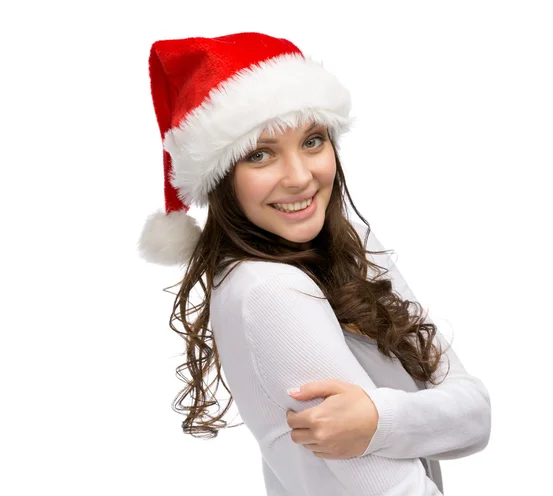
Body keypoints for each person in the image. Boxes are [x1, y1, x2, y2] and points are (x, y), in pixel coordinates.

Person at [138, 32, 491, 496]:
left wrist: (379, 419)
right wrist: (417, 420)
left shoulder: (348, 241)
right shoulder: (270, 291)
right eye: (259, 154)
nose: (301, 178)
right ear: (221, 177)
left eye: (313, 140)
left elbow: (476, 415)